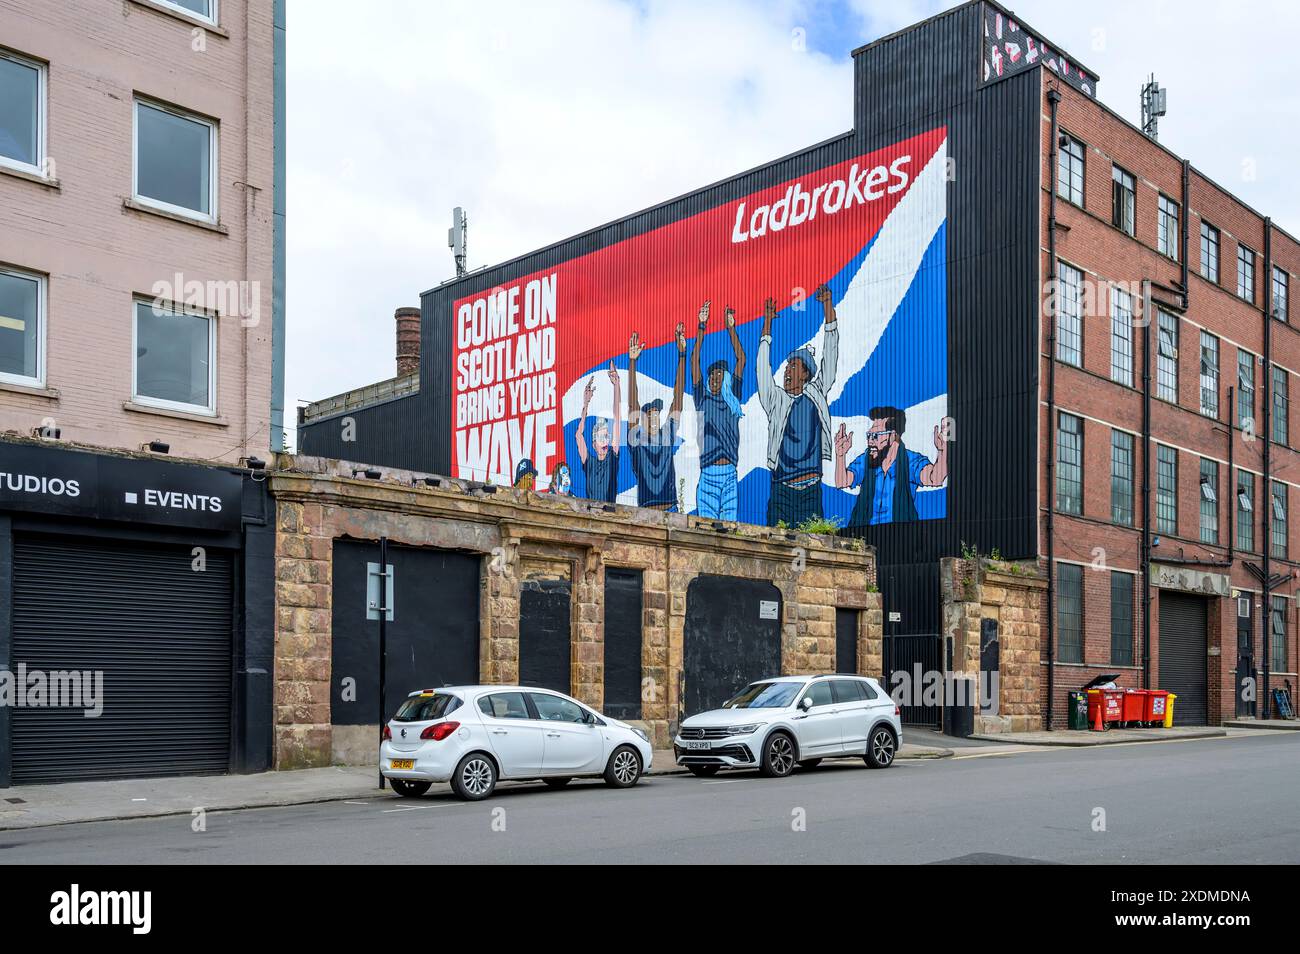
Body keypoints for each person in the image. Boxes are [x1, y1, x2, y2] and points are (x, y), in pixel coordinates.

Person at [757, 284, 839, 527]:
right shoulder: (777, 400)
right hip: (781, 490)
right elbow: (762, 370)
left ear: (806, 374)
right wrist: (767, 327)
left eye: (794, 366)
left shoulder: (816, 393)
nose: (787, 371)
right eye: (787, 367)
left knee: (814, 548)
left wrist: (827, 307)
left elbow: (831, 356)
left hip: (811, 490)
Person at [834, 406, 952, 525]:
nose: (870, 441)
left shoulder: (910, 461)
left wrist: (943, 451)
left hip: (900, 533)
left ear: (893, 435)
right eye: (869, 435)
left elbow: (935, 479)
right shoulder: (865, 460)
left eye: (875, 436)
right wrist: (840, 456)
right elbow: (842, 482)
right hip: (862, 533)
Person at [691, 300, 746, 520]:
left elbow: (741, 359)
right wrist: (701, 326)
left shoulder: (734, 399)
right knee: (705, 529)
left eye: (719, 375)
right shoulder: (702, 400)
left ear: (726, 380)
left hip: (729, 474)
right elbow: (694, 361)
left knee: (730, 532)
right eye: (712, 375)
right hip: (708, 475)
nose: (714, 377)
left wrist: (731, 327)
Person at [626, 325, 685, 511]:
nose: (653, 417)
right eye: (649, 414)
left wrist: (682, 355)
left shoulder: (667, 433)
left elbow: (678, 398)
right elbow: (632, 405)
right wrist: (632, 363)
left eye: (656, 413)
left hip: (671, 508)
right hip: (647, 511)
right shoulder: (637, 440)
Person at [575, 362, 621, 503]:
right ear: (594, 444)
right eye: (601, 437)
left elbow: (617, 418)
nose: (605, 441)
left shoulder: (612, 458)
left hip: (610, 513)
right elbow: (578, 435)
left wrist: (616, 386)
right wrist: (586, 403)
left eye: (606, 436)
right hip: (591, 514)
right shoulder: (589, 462)